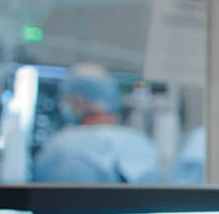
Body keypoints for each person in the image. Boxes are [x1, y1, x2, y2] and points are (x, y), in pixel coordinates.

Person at [31, 65, 160, 184]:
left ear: (79, 101)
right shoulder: (140, 142)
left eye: (67, 97)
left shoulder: (62, 147)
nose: (64, 103)